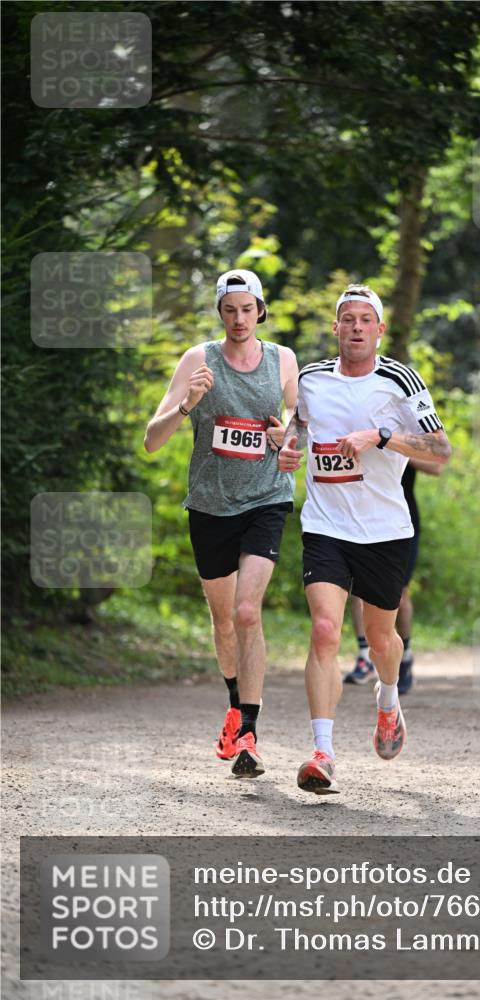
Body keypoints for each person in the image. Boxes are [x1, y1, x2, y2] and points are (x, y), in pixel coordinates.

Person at [278, 284, 452, 794]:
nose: (355, 327)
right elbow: (300, 428)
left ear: (380, 330)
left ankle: (388, 700)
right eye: (347, 319)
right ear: (335, 329)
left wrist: (380, 437)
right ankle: (323, 753)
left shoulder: (399, 380)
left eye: (364, 320)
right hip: (326, 525)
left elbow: (440, 450)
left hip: (383, 530)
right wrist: (290, 447)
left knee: (382, 641)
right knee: (326, 630)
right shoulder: (311, 378)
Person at [144, 269, 298, 777]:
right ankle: (235, 704)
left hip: (265, 500)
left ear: (260, 311)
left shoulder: (282, 360)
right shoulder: (197, 359)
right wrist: (188, 403)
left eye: (247, 309)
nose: (238, 319)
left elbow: (298, 426)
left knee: (248, 612)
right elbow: (152, 439)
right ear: (220, 313)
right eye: (229, 310)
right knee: (224, 618)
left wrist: (286, 441)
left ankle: (250, 735)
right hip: (210, 504)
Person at [345, 458, 443, 693]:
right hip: (361, 517)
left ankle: (405, 656)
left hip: (402, 521)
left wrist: (392, 444)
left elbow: (436, 465)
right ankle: (364, 656)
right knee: (358, 589)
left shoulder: (403, 426)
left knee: (399, 592)